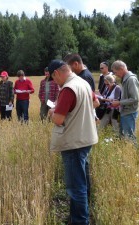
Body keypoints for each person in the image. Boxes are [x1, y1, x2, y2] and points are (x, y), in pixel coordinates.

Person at [48, 60, 98, 225]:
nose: (55, 83)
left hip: (73, 142)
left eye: (53, 79)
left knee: (76, 188)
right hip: (86, 139)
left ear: (56, 73)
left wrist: (52, 111)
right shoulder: (83, 82)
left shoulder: (68, 89)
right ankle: (82, 216)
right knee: (83, 183)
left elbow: (58, 119)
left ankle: (79, 221)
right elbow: (95, 103)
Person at [111, 60, 139, 143]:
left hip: (130, 112)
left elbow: (135, 99)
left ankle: (134, 155)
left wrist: (119, 102)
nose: (115, 75)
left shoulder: (131, 79)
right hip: (125, 112)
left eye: (116, 72)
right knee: (123, 136)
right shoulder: (125, 78)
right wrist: (119, 101)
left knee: (130, 137)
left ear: (121, 69)